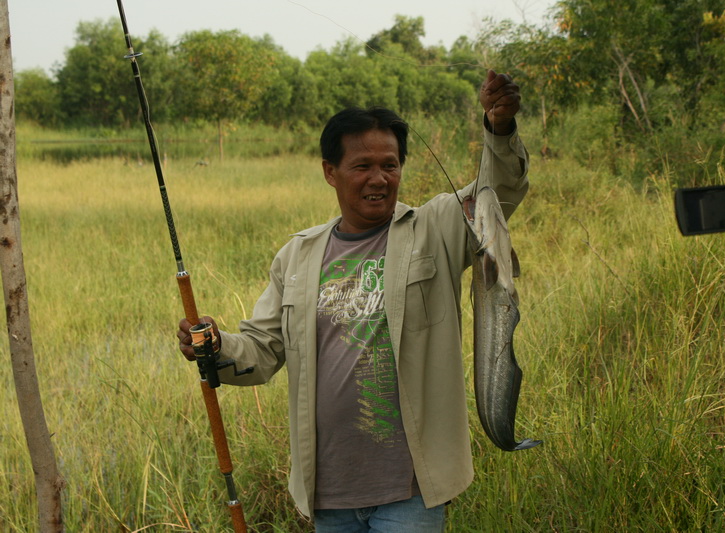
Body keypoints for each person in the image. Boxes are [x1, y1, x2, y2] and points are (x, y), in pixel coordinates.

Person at [177, 69, 530, 532]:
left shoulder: (435, 227)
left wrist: (499, 129)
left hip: (411, 491)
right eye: (362, 166)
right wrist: (214, 344)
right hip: (329, 492)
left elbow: (495, 195)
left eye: (390, 165)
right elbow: (261, 352)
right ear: (331, 172)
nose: (379, 179)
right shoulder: (296, 255)